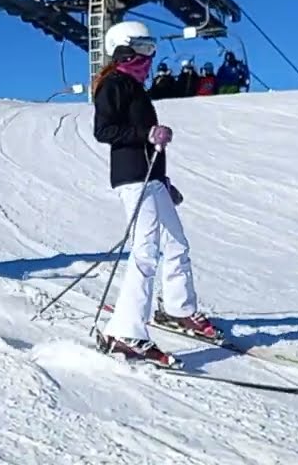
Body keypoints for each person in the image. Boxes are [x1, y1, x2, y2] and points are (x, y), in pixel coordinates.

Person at [91, 19, 220, 367]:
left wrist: (164, 181)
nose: (149, 56)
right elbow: (103, 130)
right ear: (123, 48)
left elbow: (147, 140)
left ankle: (179, 308)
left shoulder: (136, 87)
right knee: (145, 252)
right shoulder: (114, 84)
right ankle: (125, 331)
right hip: (132, 179)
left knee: (176, 242)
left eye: (152, 49)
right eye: (143, 48)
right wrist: (146, 135)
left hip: (151, 180)